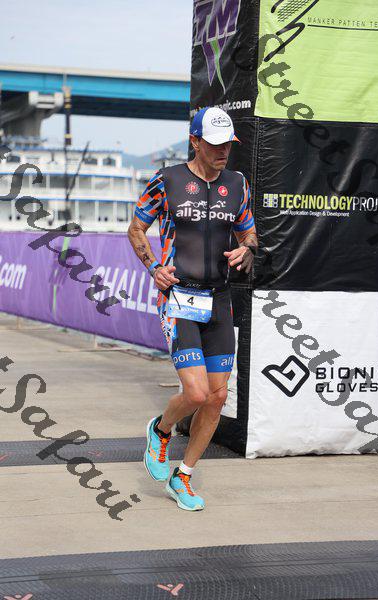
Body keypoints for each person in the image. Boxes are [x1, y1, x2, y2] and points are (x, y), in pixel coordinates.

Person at [127, 106, 258, 511]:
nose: (223, 152)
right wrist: (154, 268)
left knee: (217, 397)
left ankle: (182, 476)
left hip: (219, 299)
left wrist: (247, 250)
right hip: (179, 298)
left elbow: (250, 234)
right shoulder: (167, 179)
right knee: (197, 392)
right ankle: (161, 429)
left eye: (228, 144)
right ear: (195, 142)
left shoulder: (237, 184)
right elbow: (136, 228)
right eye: (215, 144)